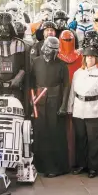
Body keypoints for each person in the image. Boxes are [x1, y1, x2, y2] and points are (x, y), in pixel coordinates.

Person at [68, 45, 98, 178]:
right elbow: (72, 92)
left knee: (95, 140)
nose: (90, 59)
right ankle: (82, 164)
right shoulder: (78, 73)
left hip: (95, 109)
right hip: (79, 109)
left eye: (93, 57)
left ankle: (93, 167)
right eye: (88, 57)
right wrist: (70, 107)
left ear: (96, 59)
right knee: (80, 138)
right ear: (84, 58)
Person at [30, 37, 70, 177]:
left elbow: (66, 87)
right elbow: (31, 82)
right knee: (40, 133)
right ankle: (39, 165)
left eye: (53, 49)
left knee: (55, 134)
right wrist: (31, 99)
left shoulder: (62, 65)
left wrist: (64, 105)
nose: (50, 52)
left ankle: (55, 167)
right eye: (48, 48)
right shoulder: (35, 62)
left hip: (55, 101)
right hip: (39, 102)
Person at [57, 30, 82, 168]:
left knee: (76, 129)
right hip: (59, 93)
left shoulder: (81, 56)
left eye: (69, 39)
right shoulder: (56, 55)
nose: (67, 42)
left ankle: (74, 160)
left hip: (78, 94)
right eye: (65, 40)